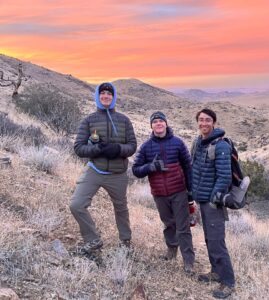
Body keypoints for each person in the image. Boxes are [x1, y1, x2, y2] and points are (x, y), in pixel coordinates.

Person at [70, 82, 137, 253]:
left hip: (118, 173)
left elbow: (132, 146)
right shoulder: (89, 120)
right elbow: (78, 148)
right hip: (95, 169)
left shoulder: (124, 120)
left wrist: (117, 150)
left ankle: (125, 242)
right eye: (103, 94)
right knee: (77, 204)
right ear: (98, 97)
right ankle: (92, 240)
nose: (106, 96)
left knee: (121, 207)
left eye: (109, 94)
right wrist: (97, 149)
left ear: (113, 97)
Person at [132, 111, 195, 273]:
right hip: (159, 193)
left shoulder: (178, 143)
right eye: (155, 122)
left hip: (178, 191)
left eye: (161, 121)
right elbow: (136, 170)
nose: (158, 124)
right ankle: (171, 250)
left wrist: (191, 190)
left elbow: (188, 167)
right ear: (151, 126)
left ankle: (188, 261)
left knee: (183, 227)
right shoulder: (146, 147)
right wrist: (150, 167)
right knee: (168, 224)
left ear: (166, 124)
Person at [191, 108, 235, 299]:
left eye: (207, 120)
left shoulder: (221, 145)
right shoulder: (199, 142)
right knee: (209, 238)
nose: (204, 123)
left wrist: (214, 198)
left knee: (217, 241)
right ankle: (215, 272)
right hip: (202, 199)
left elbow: (224, 176)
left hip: (213, 202)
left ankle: (228, 282)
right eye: (201, 120)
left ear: (214, 122)